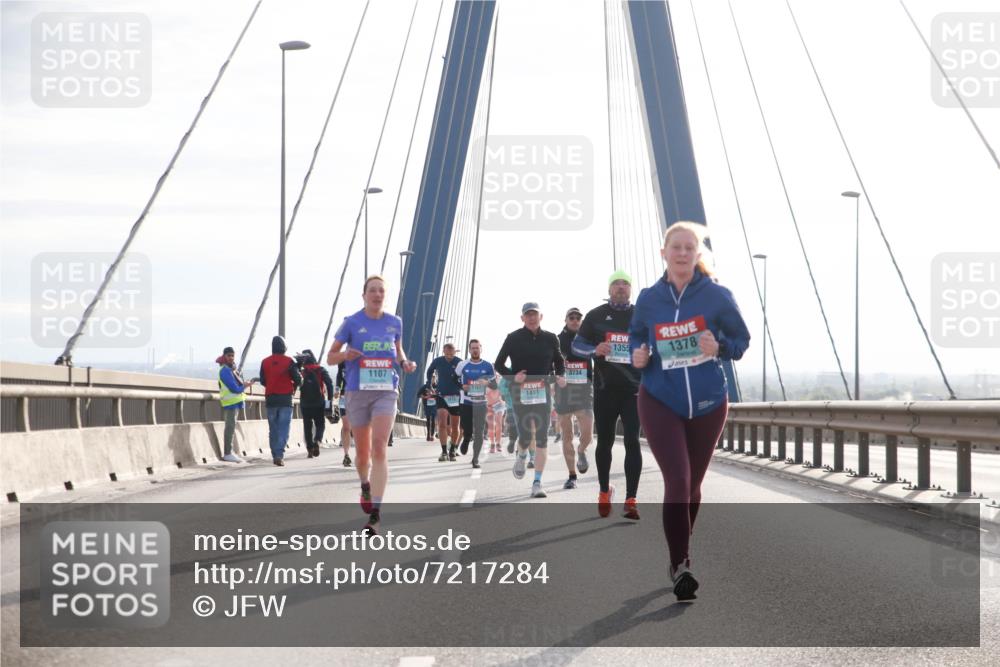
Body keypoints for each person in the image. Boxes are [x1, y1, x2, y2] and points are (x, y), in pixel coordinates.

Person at [630, 221, 750, 601]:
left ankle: (680, 551)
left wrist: (720, 347)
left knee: (693, 486)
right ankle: (680, 564)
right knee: (678, 480)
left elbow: (741, 340)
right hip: (659, 398)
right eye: (676, 247)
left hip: (709, 403)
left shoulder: (717, 296)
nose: (682, 253)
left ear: (698, 254)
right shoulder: (649, 298)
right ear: (663, 253)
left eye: (689, 248)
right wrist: (637, 354)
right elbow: (637, 334)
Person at [327, 275, 417, 535]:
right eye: (373, 291)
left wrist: (405, 363)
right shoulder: (351, 323)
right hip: (357, 392)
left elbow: (398, 350)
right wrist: (346, 354)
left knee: (379, 448)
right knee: (363, 455)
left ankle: (375, 514)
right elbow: (331, 358)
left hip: (386, 391)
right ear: (364, 295)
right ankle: (365, 484)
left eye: (381, 291)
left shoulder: (394, 322)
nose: (377, 295)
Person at [572, 270, 643, 519]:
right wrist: (595, 349)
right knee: (605, 442)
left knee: (633, 441)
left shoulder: (642, 315)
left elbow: (657, 346)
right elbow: (576, 345)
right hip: (605, 390)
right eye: (616, 284)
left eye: (625, 283)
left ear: (630, 289)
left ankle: (631, 500)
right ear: (609, 289)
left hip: (634, 390)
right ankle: (604, 492)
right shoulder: (596, 315)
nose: (621, 287)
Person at [494, 302, 566, 498]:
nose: (532, 318)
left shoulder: (551, 338)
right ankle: (522, 455)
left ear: (541, 316)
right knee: (525, 435)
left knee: (542, 437)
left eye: (535, 314)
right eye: (528, 315)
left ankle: (537, 483)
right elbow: (499, 364)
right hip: (520, 392)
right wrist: (513, 376)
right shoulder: (513, 338)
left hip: (543, 391)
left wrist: (560, 375)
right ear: (522, 318)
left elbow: (559, 361)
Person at [555, 307, 594, 490]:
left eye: (578, 318)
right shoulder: (557, 340)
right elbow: (549, 362)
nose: (575, 320)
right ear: (565, 320)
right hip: (563, 392)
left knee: (587, 433)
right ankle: (572, 476)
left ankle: (582, 449)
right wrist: (555, 376)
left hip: (584, 391)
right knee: (567, 436)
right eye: (571, 317)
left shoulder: (588, 338)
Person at [259, 335, 301, 466]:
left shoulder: (264, 361)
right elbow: (298, 380)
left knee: (273, 429)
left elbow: (263, 380)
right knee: (283, 428)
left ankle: (274, 454)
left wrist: (273, 384)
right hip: (285, 399)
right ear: (284, 347)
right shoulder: (289, 361)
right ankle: (279, 455)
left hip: (271, 398)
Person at [456, 339, 497, 468]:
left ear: (481, 349)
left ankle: (475, 459)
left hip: (481, 402)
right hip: (466, 402)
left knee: (479, 432)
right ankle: (466, 438)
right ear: (469, 350)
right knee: (467, 429)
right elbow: (454, 379)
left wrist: (487, 383)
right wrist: (462, 386)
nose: (475, 350)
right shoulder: (462, 365)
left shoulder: (488, 366)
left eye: (477, 348)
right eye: (473, 348)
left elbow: (494, 385)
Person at [426, 343, 463, 461]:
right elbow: (429, 371)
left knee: (455, 425)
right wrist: (429, 384)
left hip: (456, 396)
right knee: (442, 423)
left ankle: (452, 450)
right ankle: (443, 452)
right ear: (443, 352)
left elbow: (466, 376)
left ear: (455, 352)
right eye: (447, 354)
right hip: (441, 395)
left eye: (451, 354)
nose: (449, 356)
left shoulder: (459, 362)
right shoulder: (438, 361)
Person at [216, 346, 253, 463]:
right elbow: (234, 389)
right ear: (224, 356)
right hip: (230, 403)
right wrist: (245, 386)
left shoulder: (230, 369)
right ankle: (228, 453)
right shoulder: (225, 371)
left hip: (234, 403)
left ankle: (229, 452)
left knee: (231, 428)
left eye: (232, 355)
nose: (231, 358)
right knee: (230, 428)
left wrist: (244, 385)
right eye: (229, 355)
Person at [297, 350, 334, 459]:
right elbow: (329, 384)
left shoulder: (302, 371)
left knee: (307, 426)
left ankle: (309, 450)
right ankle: (317, 441)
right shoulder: (320, 369)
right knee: (320, 423)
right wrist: (330, 400)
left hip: (305, 403)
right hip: (319, 402)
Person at [335, 364, 353, 467]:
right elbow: (339, 376)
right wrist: (337, 389)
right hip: (344, 397)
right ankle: (346, 455)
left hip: (360, 397)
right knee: (346, 427)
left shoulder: (363, 358)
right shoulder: (342, 361)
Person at [485, 383, 504, 452]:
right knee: (491, 425)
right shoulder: (484, 381)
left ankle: (498, 443)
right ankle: (492, 444)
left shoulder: (499, 381)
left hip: (498, 405)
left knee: (499, 423)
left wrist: (502, 401)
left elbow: (503, 393)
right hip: (488, 406)